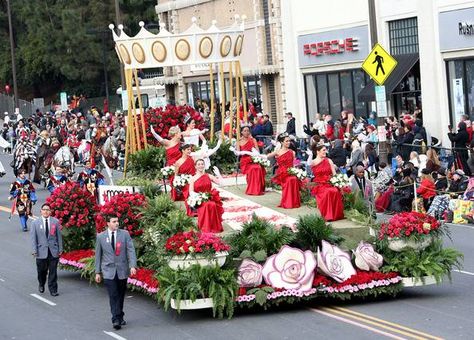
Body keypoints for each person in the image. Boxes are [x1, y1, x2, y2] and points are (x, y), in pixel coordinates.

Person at [95, 215, 137, 330]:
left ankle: (120, 315)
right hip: (108, 270)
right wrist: (97, 272)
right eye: (114, 221)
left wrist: (133, 265)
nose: (117, 223)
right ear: (108, 223)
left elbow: (130, 250)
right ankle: (115, 319)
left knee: (120, 294)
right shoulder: (101, 237)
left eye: (117, 221)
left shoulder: (124, 234)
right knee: (113, 294)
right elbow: (98, 255)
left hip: (122, 269)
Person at [30, 203, 63, 296]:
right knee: (41, 271)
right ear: (41, 211)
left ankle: (53, 289)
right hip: (41, 252)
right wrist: (34, 250)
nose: (46, 211)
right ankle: (41, 283)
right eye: (44, 209)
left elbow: (59, 237)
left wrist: (60, 249)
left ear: (50, 211)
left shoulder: (55, 222)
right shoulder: (35, 223)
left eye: (48, 210)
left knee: (53, 272)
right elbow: (33, 238)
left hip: (53, 251)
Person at [266, 133, 301, 208]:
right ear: (282, 142)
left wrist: (298, 171)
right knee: (289, 180)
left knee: (294, 179)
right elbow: (266, 156)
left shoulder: (292, 152)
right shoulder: (278, 152)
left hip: (291, 172)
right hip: (282, 173)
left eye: (289, 141)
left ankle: (294, 202)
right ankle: (287, 202)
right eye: (286, 141)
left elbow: (295, 163)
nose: (289, 142)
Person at [310, 145, 344, 221]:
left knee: (335, 191)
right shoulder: (313, 162)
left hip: (329, 182)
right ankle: (327, 215)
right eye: (324, 150)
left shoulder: (329, 160)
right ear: (318, 151)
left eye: (326, 150)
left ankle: (336, 215)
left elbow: (334, 173)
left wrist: (338, 182)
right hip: (319, 184)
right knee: (328, 192)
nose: (325, 152)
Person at [189, 160, 224, 233]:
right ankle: (205, 227)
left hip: (209, 198)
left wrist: (218, 175)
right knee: (207, 205)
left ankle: (214, 227)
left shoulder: (208, 176)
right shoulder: (193, 178)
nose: (200, 166)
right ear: (195, 166)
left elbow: (221, 183)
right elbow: (191, 192)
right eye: (198, 164)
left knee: (212, 204)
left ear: (204, 165)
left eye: (202, 164)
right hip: (199, 200)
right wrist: (199, 197)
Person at [237, 126, 266, 195]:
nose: (246, 132)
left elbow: (257, 151)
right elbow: (238, 153)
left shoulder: (253, 140)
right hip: (245, 160)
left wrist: (258, 158)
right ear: (241, 132)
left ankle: (258, 188)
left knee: (258, 167)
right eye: (245, 131)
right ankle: (252, 188)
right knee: (253, 168)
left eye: (248, 131)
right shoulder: (239, 141)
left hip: (254, 159)